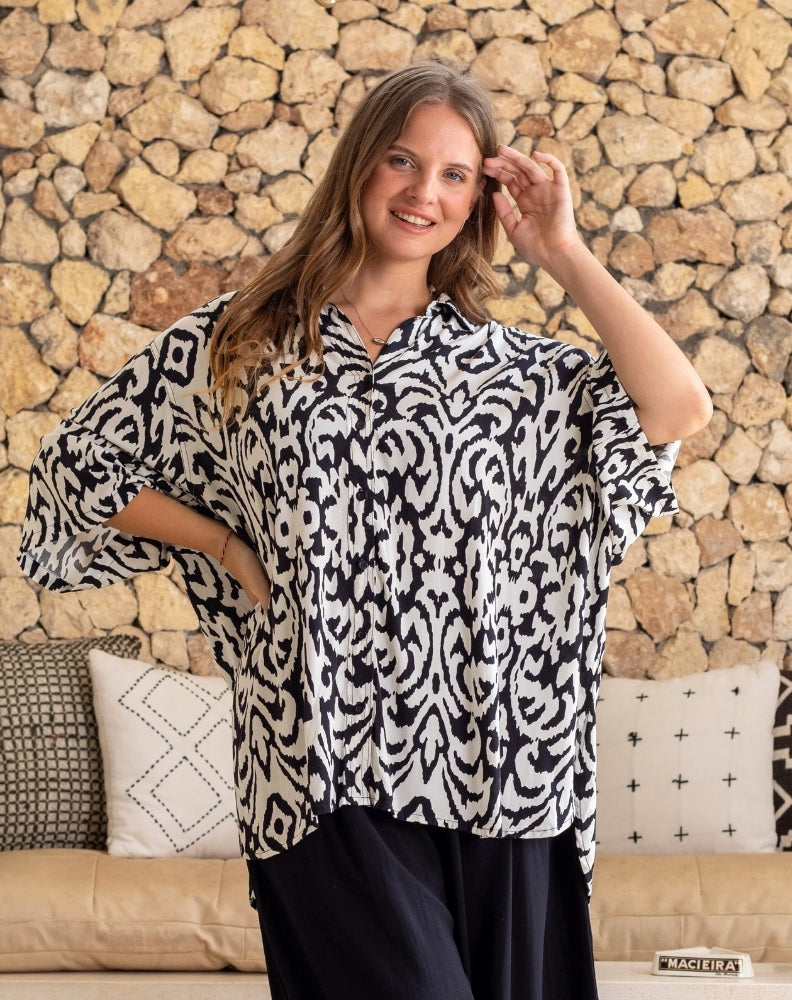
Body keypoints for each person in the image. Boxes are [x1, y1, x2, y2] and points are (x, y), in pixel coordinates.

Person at [19, 62, 712, 1000]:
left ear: (477, 200)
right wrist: (224, 544)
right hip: (321, 762)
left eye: (456, 175)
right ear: (359, 166)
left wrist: (561, 250)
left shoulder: (518, 373)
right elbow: (80, 471)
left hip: (507, 765)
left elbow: (676, 409)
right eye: (401, 160)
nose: (425, 192)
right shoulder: (242, 343)